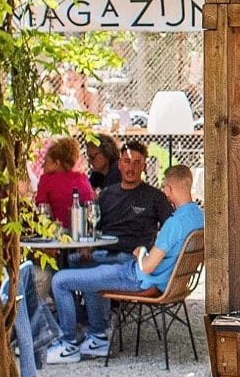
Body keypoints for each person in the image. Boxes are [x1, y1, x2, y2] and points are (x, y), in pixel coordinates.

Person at [46, 162, 198, 364]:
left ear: (168, 189)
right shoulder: (199, 217)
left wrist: (141, 251)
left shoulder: (174, 224)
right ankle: (97, 337)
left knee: (59, 280)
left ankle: (68, 344)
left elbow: (147, 267)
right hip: (167, 283)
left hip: (139, 279)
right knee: (90, 270)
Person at [33, 137, 96, 233]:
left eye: (46, 162)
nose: (42, 166)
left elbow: (43, 211)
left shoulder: (47, 179)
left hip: (57, 236)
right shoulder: (83, 178)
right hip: (82, 234)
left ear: (57, 163)